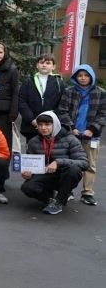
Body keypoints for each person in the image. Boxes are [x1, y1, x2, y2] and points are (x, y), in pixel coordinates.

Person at [20, 111, 89, 215]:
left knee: (74, 169)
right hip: (45, 175)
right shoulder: (33, 142)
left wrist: (58, 162)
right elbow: (31, 163)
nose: (43, 128)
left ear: (55, 125)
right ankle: (50, 200)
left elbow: (84, 163)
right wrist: (27, 173)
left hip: (64, 176)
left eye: (47, 124)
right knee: (27, 187)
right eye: (40, 125)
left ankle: (59, 202)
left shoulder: (71, 139)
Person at [57, 64, 105, 206]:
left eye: (86, 75)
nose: (83, 78)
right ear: (75, 77)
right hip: (72, 134)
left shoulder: (100, 93)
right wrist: (71, 128)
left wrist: (92, 129)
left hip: (91, 136)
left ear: (91, 77)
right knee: (69, 164)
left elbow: (103, 114)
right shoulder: (69, 91)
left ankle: (87, 193)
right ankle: (68, 191)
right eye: (80, 75)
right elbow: (62, 111)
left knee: (90, 165)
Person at [17, 54, 64, 143]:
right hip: (31, 126)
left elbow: (62, 104)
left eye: (48, 63)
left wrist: (51, 119)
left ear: (53, 66)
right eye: (41, 62)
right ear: (37, 65)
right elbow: (22, 102)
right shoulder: (28, 82)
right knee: (32, 149)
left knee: (51, 150)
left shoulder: (59, 83)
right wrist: (32, 120)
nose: (44, 65)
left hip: (51, 125)